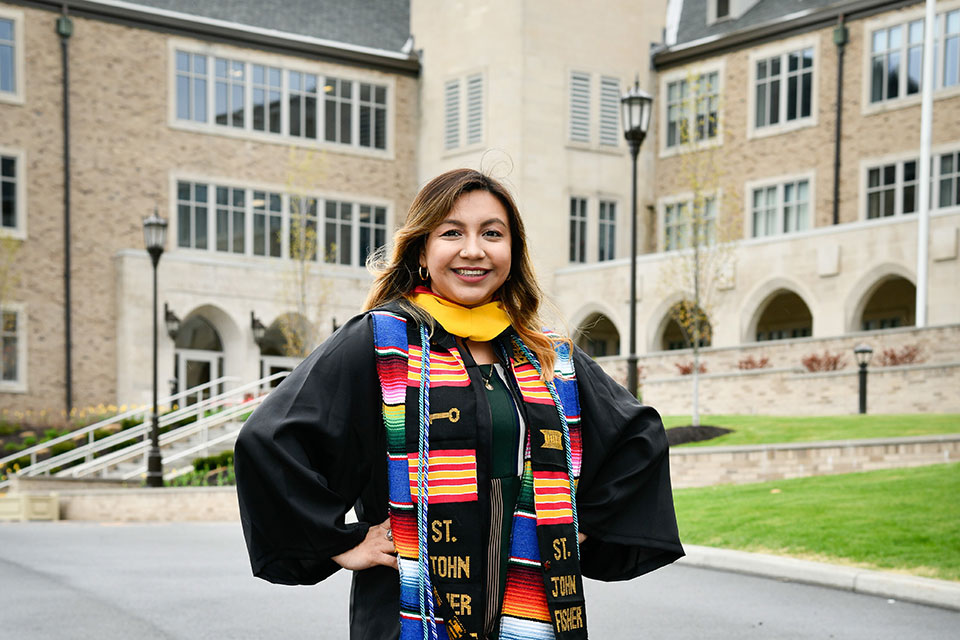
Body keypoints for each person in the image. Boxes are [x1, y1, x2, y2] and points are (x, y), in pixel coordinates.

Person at [235, 168, 683, 640]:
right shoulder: (382, 342)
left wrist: (576, 528)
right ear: (423, 251)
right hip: (410, 609)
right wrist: (341, 542)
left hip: (534, 608)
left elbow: (639, 438)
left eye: (492, 233)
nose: (474, 250)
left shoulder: (547, 356)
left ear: (513, 251)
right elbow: (269, 438)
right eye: (452, 232)